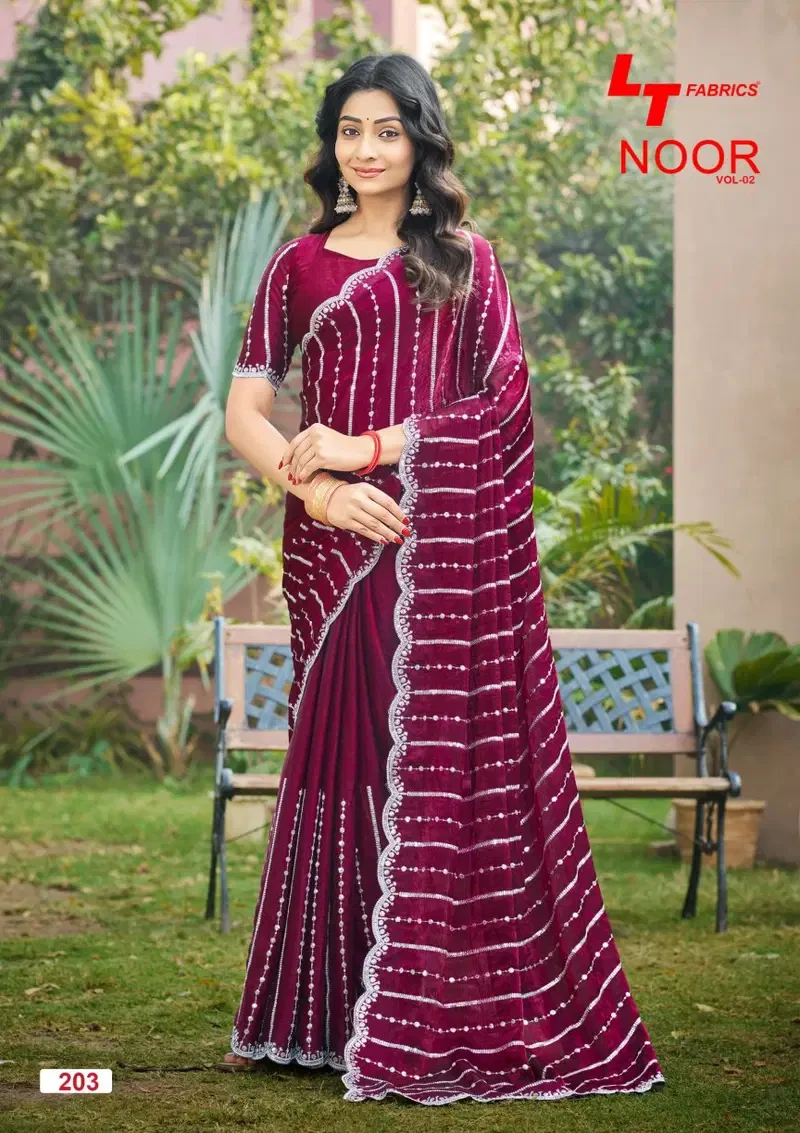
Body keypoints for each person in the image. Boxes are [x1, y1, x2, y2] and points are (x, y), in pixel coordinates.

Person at [219, 52, 666, 1106]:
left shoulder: (463, 261)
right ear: (331, 145)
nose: (365, 149)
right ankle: (312, 1013)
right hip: (332, 547)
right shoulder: (298, 266)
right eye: (349, 130)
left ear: (420, 140)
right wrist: (323, 494)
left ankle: (424, 1002)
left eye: (386, 130)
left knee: (417, 763)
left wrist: (370, 449)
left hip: (434, 542)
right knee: (334, 763)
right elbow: (245, 412)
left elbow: (503, 406)